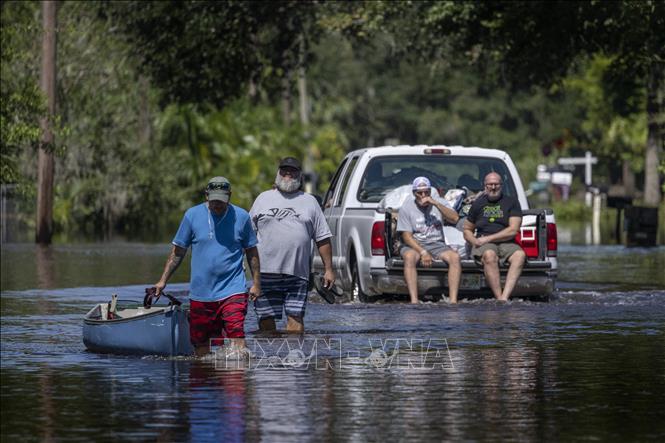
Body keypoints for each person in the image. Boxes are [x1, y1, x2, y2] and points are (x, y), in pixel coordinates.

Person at [154, 176, 261, 356]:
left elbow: (252, 251)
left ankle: (236, 380)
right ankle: (207, 378)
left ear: (230, 196)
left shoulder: (242, 217)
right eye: (214, 200)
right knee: (201, 345)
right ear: (206, 196)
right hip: (201, 294)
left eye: (222, 200)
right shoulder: (192, 215)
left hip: (233, 289)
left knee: (236, 336)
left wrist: (257, 283)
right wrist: (162, 281)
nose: (217, 205)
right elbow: (178, 252)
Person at [250, 157, 335, 333]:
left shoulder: (310, 202)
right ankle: (269, 358)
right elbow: (247, 236)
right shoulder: (263, 199)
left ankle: (295, 357)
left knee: (295, 318)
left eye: (293, 171)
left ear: (300, 175)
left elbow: (323, 238)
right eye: (284, 170)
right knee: (265, 318)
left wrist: (329, 269)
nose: (288, 174)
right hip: (264, 272)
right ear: (278, 173)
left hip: (298, 273)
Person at [397, 176, 462, 304]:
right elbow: (406, 236)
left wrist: (436, 204)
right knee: (410, 257)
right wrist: (422, 252)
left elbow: (454, 218)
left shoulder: (439, 202)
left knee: (455, 258)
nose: (423, 195)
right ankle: (414, 300)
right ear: (414, 193)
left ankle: (453, 300)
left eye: (426, 192)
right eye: (419, 193)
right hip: (415, 244)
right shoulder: (406, 207)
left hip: (437, 244)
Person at [463, 172, 525, 301]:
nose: (493, 187)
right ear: (485, 186)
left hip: (507, 242)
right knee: (490, 255)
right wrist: (474, 241)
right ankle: (499, 298)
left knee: (520, 255)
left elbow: (513, 230)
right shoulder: (477, 204)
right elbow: (467, 229)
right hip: (484, 244)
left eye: (496, 184)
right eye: (490, 184)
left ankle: (504, 297)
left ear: (501, 185)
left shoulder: (511, 202)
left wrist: (489, 238)